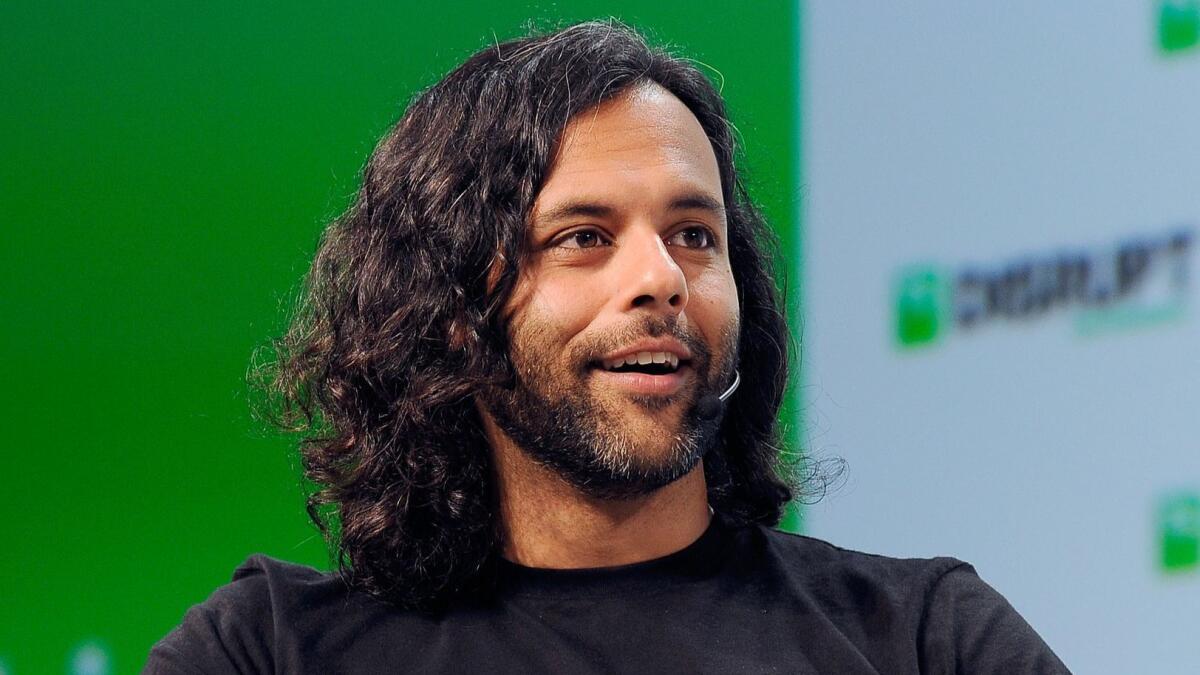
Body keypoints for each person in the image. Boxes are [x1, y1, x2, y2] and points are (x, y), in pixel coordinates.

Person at [146, 21, 1069, 674]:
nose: (662, 278)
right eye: (584, 236)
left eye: (694, 234)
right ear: (458, 309)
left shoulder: (925, 640)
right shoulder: (267, 650)